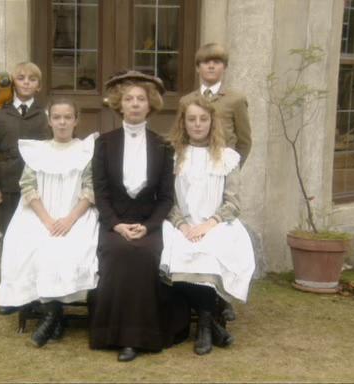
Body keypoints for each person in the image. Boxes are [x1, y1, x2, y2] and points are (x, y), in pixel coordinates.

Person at [89, 70, 187, 362]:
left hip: (149, 224)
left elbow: (167, 197)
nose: (134, 104)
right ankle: (113, 334)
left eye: (140, 99)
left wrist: (148, 227)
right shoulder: (104, 143)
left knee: (144, 255)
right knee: (118, 252)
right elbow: (101, 193)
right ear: (120, 104)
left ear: (150, 104)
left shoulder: (163, 145)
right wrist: (117, 225)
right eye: (129, 99)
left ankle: (142, 336)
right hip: (113, 223)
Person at [0, 98, 99, 347]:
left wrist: (69, 219)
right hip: (40, 213)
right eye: (57, 117)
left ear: (76, 120)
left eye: (67, 117)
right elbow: (28, 186)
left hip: (75, 214)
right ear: (49, 120)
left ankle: (53, 316)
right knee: (29, 244)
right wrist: (46, 220)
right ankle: (54, 315)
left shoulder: (86, 149)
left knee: (66, 249)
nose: (62, 122)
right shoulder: (38, 151)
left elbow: (90, 189)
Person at [161, 95, 255, 355]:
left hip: (217, 223)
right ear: (183, 122)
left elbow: (233, 203)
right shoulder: (173, 155)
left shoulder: (227, 157)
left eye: (203, 119)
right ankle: (210, 323)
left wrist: (208, 225)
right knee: (173, 252)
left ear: (212, 122)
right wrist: (182, 226)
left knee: (209, 253)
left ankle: (204, 324)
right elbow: (167, 199)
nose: (198, 124)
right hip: (180, 223)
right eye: (191, 119)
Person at [180, 42, 252, 321]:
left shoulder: (234, 99)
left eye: (217, 62)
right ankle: (191, 297)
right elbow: (183, 136)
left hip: (221, 175)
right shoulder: (187, 101)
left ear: (224, 67)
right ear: (198, 67)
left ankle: (220, 300)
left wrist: (225, 169)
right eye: (206, 62)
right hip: (194, 175)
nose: (211, 66)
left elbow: (245, 141)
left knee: (225, 240)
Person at [0, 61, 50, 237]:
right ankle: (8, 264)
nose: (26, 82)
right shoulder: (0, 116)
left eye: (32, 79)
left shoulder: (46, 116)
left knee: (35, 233)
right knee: (9, 231)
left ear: (39, 86)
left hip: (38, 187)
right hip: (7, 186)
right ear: (13, 83)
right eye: (21, 78)